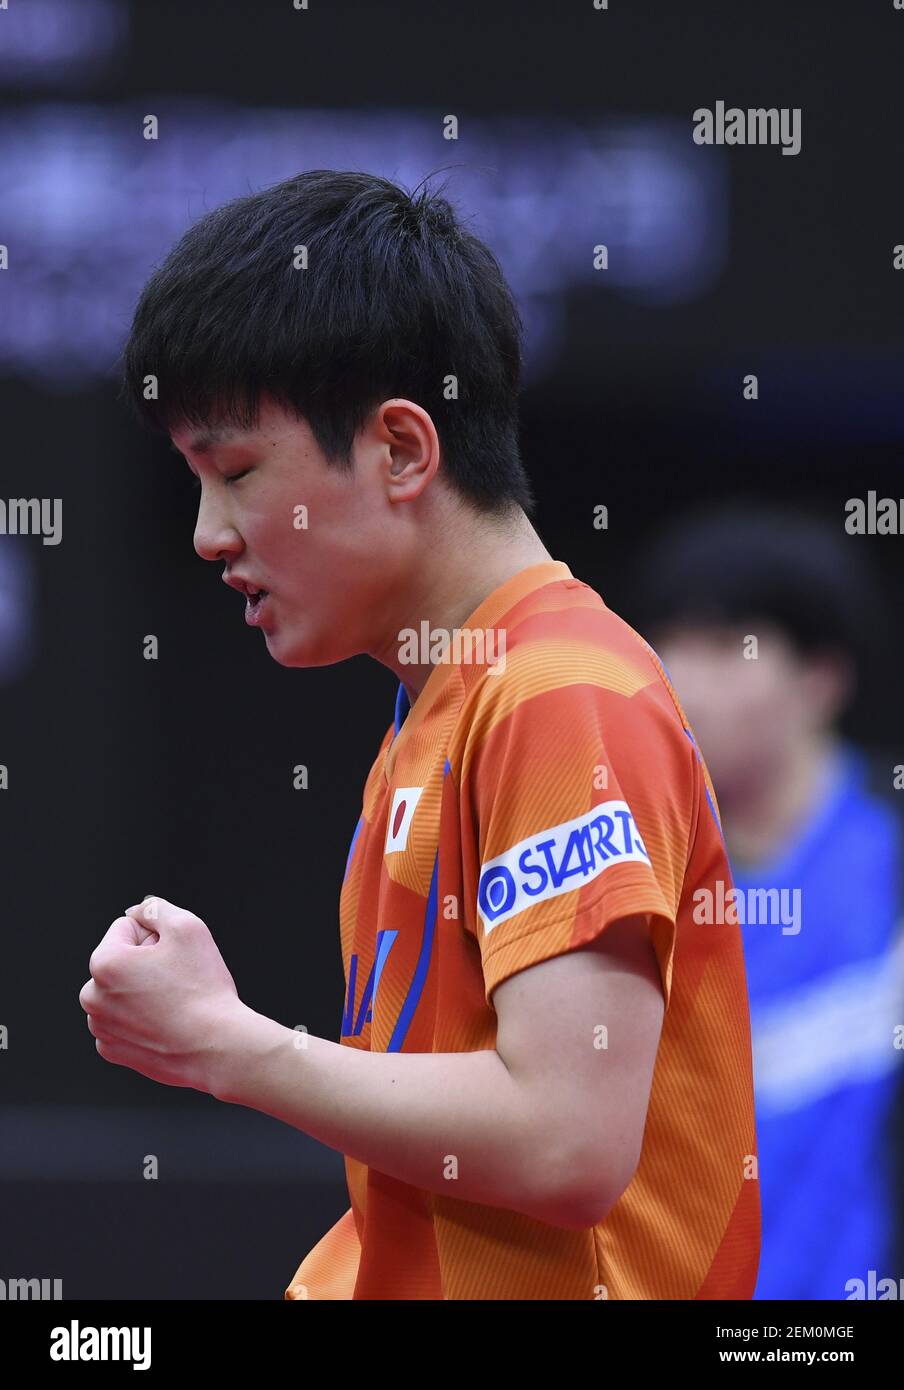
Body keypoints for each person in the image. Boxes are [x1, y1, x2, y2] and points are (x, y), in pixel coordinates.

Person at [79, 170, 760, 1300]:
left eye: (237, 471)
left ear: (401, 448)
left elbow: (565, 1140)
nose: (208, 534)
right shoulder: (438, 706)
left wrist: (230, 1044)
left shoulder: (557, 692)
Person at [630, 505, 904, 1301]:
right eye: (670, 643)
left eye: (725, 648)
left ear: (821, 680)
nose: (682, 678)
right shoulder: (628, 874)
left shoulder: (888, 869)